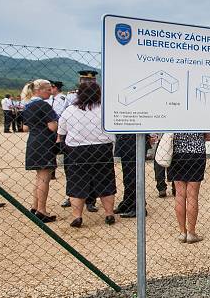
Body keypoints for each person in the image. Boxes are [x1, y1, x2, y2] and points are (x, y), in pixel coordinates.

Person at [57, 82, 117, 227]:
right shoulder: (105, 109)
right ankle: (109, 213)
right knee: (105, 180)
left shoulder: (70, 110)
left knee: (77, 182)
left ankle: (77, 216)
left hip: (77, 150)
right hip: (102, 148)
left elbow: (61, 133)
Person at [20, 80, 58, 222]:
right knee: (44, 178)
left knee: (38, 177)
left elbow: (25, 127)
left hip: (33, 140)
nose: (51, 92)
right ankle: (42, 210)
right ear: (39, 90)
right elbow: (52, 127)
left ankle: (35, 207)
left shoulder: (28, 105)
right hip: (45, 142)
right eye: (48, 89)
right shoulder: (43, 105)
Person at [168, 132, 210, 243]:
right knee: (192, 195)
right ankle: (191, 233)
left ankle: (182, 232)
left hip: (177, 153)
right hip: (196, 152)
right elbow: (208, 137)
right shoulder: (200, 115)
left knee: (180, 194)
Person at [113, 134, 150, 219]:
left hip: (134, 140)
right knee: (127, 175)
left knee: (133, 174)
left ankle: (137, 206)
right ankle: (128, 202)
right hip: (125, 139)